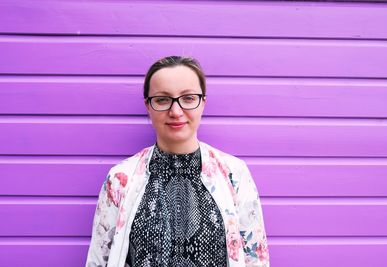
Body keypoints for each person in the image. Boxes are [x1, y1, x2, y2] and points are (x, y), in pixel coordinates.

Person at [86, 56, 270, 267]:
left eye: (188, 98)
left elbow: (256, 260)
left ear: (203, 103)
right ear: (148, 105)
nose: (176, 111)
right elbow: (99, 261)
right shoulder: (120, 180)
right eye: (162, 99)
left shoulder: (234, 174)